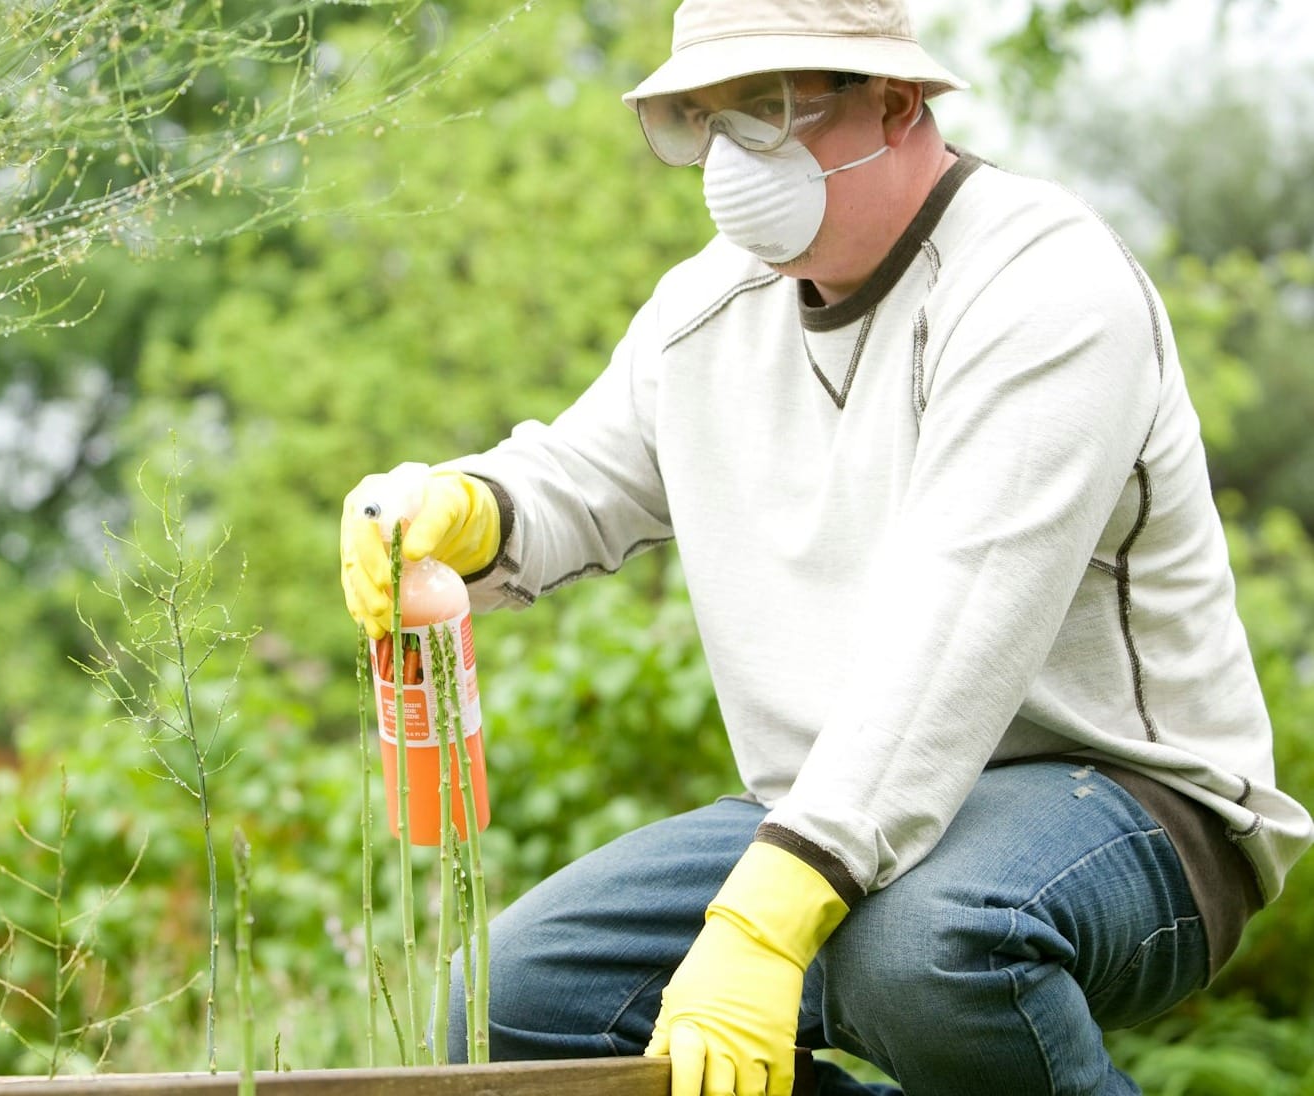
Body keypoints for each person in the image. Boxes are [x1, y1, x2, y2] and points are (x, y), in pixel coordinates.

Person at [337, 0, 1314, 1092]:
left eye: (768, 109)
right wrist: (465, 508)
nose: (727, 156)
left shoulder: (1045, 286)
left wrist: (766, 920)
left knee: (926, 950)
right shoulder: (701, 311)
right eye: (704, 118)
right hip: (832, 808)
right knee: (514, 1001)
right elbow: (580, 477)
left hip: (1131, 801)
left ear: (895, 102)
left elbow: (959, 633)